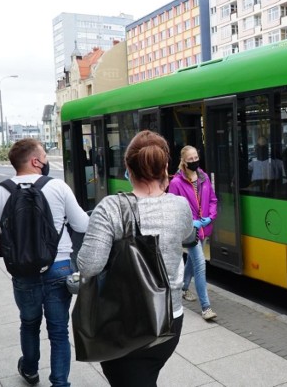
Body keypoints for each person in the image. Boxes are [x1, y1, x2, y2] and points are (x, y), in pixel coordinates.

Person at [0, 138, 89, 387]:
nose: (45, 161)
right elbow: (82, 225)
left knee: (29, 323)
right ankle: (60, 383)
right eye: (43, 156)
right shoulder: (58, 187)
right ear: (35, 161)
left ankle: (30, 370)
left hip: (22, 272)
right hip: (59, 267)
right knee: (58, 331)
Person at [77, 130, 194, 386]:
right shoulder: (180, 206)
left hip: (123, 323)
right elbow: (189, 235)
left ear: (127, 167)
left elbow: (89, 265)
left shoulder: (109, 208)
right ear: (165, 167)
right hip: (169, 320)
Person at [168, 145, 219, 321]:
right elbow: (173, 210)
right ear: (183, 161)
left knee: (191, 260)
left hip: (204, 229)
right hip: (190, 231)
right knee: (200, 264)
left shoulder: (204, 177)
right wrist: (191, 223)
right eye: (190, 159)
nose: (194, 161)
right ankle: (206, 308)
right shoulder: (176, 183)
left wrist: (210, 217)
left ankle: (183, 287)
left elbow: (213, 200)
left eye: (196, 157)